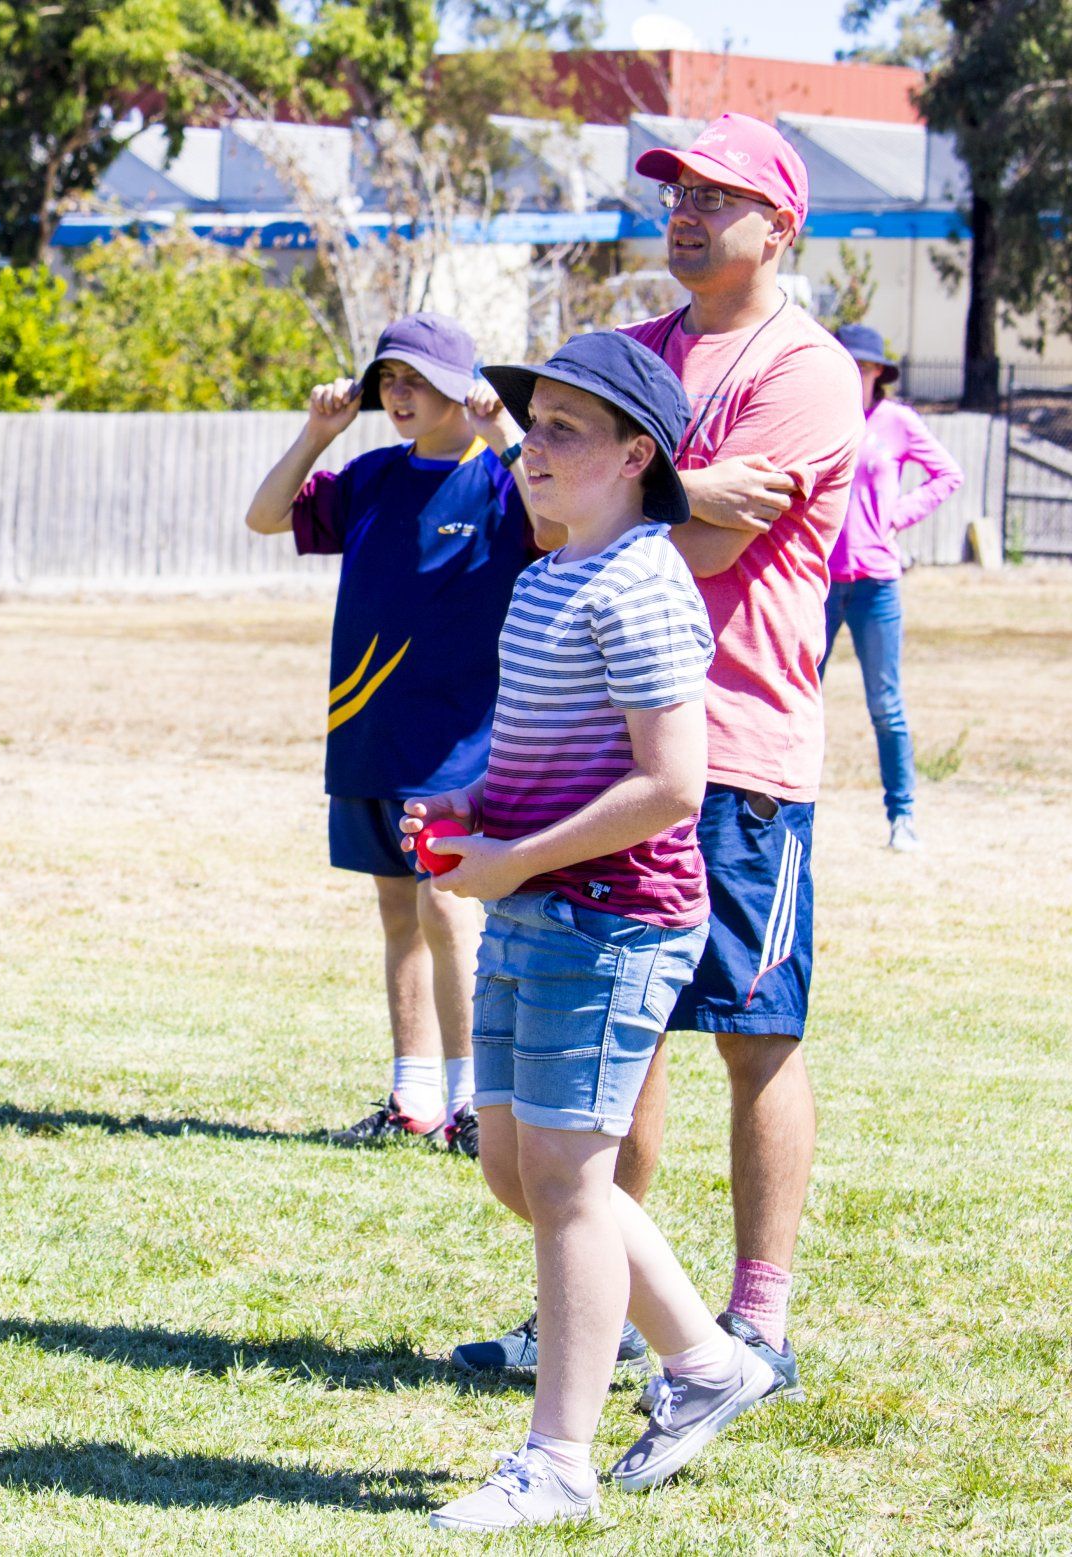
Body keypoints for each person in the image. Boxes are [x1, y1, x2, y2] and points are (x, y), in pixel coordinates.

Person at [452, 113, 863, 1404]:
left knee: (756, 1031)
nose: (687, 210)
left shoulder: (805, 368)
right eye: (677, 189)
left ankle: (758, 1316)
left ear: (781, 224)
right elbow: (596, 520)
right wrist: (663, 494)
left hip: (736, 750)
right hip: (596, 752)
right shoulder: (637, 354)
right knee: (618, 1051)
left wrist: (635, 500)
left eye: (721, 194)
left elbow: (707, 539)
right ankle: (604, 1313)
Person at [409, 332, 775, 1534]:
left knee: (568, 1178)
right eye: (533, 424)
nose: (532, 447)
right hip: (535, 904)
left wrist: (513, 858)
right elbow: (547, 758)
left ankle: (557, 1461)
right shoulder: (550, 575)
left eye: (566, 429)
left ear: (637, 456)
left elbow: (674, 784)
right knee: (516, 1169)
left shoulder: (644, 582)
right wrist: (477, 808)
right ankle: (712, 1367)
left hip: (608, 922)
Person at [243, 313, 546, 1156]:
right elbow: (266, 516)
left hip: (456, 743)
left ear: (462, 384)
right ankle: (413, 1097)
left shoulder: (495, 480)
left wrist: (506, 434)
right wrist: (315, 433)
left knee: (449, 908)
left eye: (416, 379)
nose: (399, 394)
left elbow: (554, 525)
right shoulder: (372, 474)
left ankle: (475, 1100)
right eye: (389, 381)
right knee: (395, 911)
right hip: (367, 735)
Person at [823, 322, 962, 852]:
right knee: (796, 698)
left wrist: (895, 517)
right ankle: (784, 812)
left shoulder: (897, 421)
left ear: (878, 372)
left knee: (885, 703)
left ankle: (902, 815)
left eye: (863, 366)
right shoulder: (821, 419)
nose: (854, 373)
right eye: (847, 363)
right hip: (818, 581)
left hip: (876, 582)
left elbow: (947, 476)